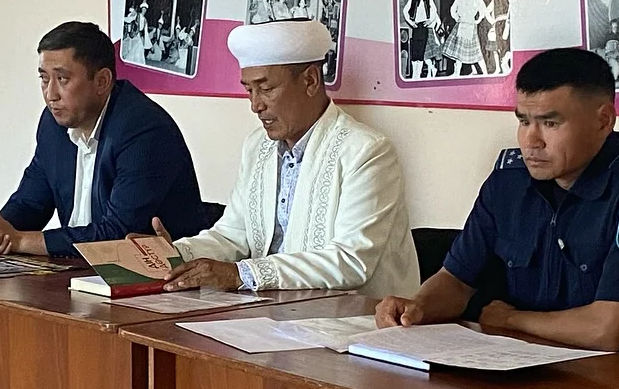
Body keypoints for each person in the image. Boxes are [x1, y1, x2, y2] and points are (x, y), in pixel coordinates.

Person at [376, 48, 619, 363]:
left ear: (603, 121)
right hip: (525, 364)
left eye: (550, 123)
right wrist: (418, 306)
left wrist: (512, 319)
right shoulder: (509, 180)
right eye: (523, 121)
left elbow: (609, 329)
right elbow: (456, 281)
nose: (531, 141)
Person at [151, 19, 419, 294]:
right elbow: (233, 235)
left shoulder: (366, 151)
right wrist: (173, 254)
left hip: (354, 316)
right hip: (270, 310)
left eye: (266, 89)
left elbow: (350, 261)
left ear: (310, 80)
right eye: (249, 90)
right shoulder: (257, 146)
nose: (256, 105)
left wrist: (241, 273)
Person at [0, 22, 212, 259]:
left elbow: (117, 235)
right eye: (44, 79)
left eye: (62, 79)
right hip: (78, 268)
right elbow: (31, 202)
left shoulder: (145, 130)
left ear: (102, 81)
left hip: (155, 272)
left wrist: (20, 240)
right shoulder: (54, 124)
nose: (50, 94)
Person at [401, 0, 442, 80]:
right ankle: (414, 76)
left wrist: (430, 20)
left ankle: (418, 76)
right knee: (415, 52)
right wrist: (411, 23)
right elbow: (405, 11)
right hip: (416, 27)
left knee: (421, 52)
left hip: (424, 27)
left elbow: (434, 10)